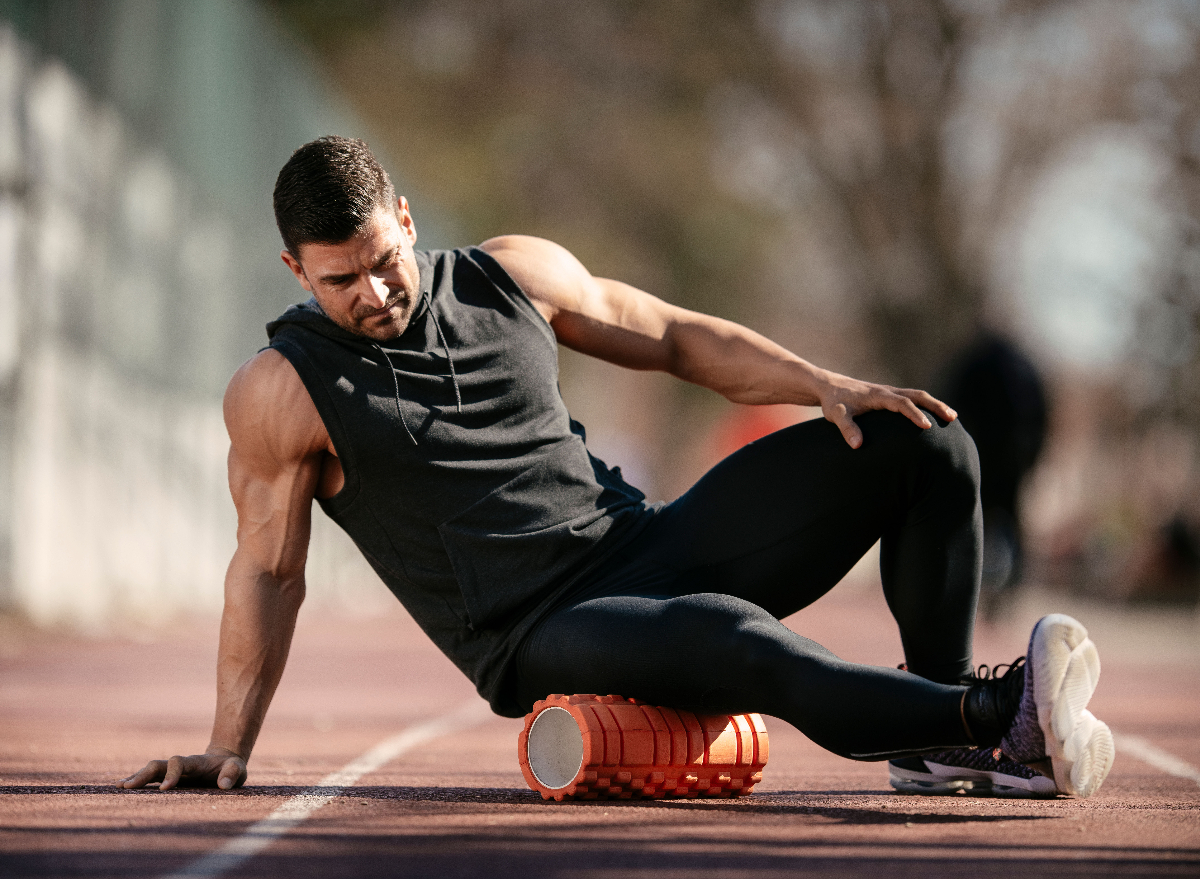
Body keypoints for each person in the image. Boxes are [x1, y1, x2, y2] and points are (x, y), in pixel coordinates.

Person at [119, 136, 1113, 799]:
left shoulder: (511, 274)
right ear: (297, 270)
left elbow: (675, 338)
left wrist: (820, 382)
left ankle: (929, 736)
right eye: (342, 278)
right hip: (539, 630)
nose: (375, 291)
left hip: (643, 543)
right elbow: (266, 571)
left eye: (386, 259)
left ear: (407, 220)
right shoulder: (282, 390)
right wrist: (227, 745)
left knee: (926, 443)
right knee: (734, 638)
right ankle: (995, 717)